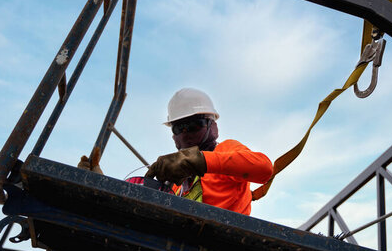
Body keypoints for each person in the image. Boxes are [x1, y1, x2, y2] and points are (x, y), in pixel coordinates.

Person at [80, 88, 273, 216]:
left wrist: (199, 161)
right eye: (178, 128)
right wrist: (102, 187)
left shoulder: (225, 152)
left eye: (195, 125)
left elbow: (264, 168)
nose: (186, 133)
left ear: (212, 126)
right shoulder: (177, 182)